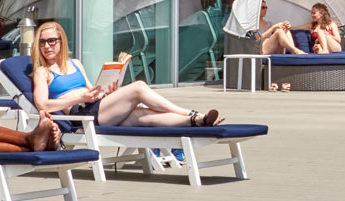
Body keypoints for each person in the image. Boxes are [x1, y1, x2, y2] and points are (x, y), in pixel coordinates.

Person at [29, 20, 222, 128]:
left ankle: (198, 121)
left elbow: (91, 91)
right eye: (42, 42)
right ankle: (190, 112)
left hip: (96, 107)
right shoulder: (42, 72)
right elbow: (43, 105)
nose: (47, 46)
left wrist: (107, 93)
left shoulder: (75, 63)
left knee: (144, 115)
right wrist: (79, 98)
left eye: (52, 41)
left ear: (61, 42)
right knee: (139, 87)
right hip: (81, 116)